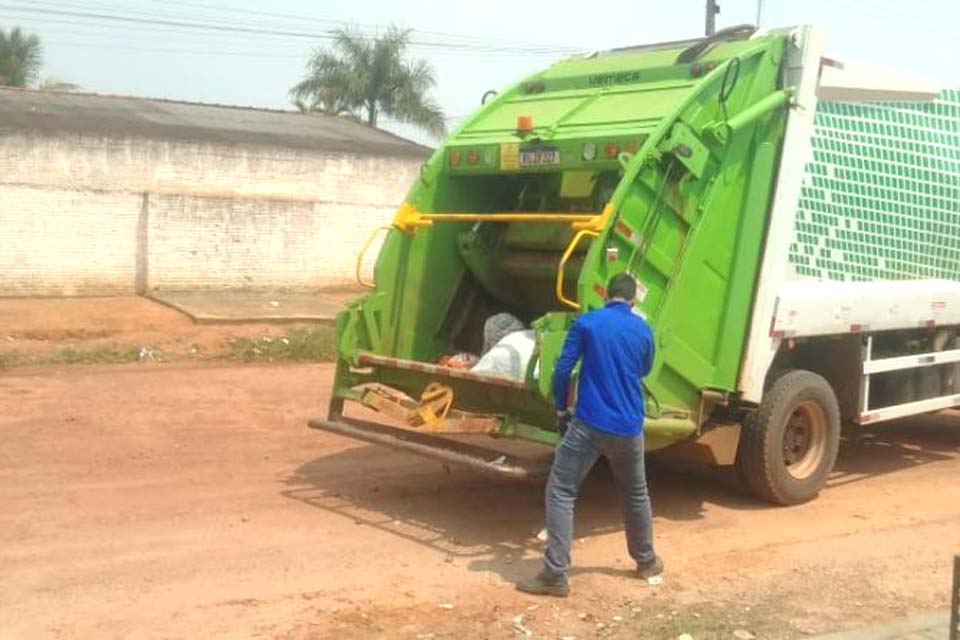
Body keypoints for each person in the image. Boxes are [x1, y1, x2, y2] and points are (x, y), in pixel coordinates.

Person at [517, 273, 662, 597]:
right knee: (635, 493)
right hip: (630, 427)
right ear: (632, 300)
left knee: (561, 491)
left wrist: (560, 408)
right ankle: (647, 561)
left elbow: (562, 370)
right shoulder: (644, 330)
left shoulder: (588, 322)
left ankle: (555, 575)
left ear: (607, 295)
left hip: (590, 425)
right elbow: (644, 369)